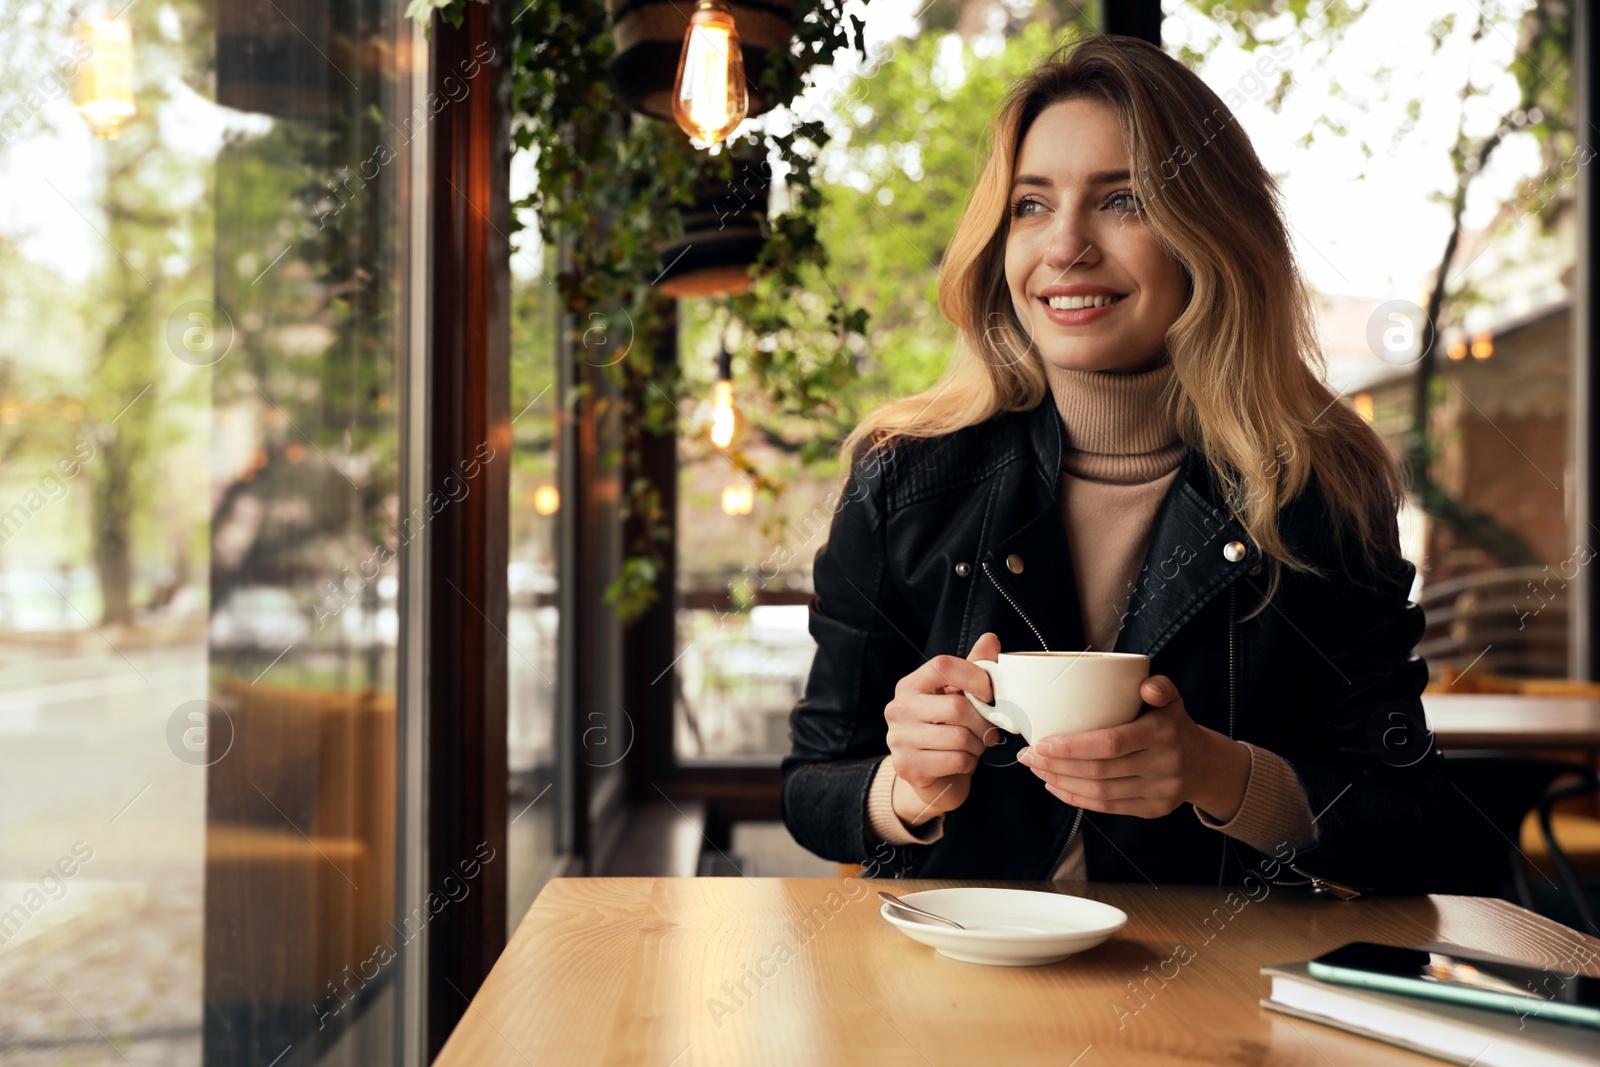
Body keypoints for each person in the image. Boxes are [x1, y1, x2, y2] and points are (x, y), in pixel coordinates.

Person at [780, 34, 1486, 894]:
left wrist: (1220, 777)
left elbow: (1414, 824)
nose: (1065, 246)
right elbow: (811, 785)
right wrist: (906, 785)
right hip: (959, 980)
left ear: (1207, 235)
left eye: (1122, 201)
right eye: (1031, 205)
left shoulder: (1319, 490)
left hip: (1222, 992)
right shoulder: (903, 479)